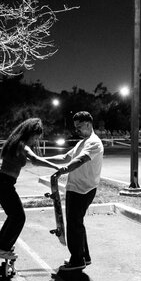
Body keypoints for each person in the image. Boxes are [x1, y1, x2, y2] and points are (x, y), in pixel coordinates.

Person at [0, 118, 59, 259]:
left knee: (13, 215)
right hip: (4, 184)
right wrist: (56, 167)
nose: (35, 141)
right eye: (35, 137)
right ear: (30, 133)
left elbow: (32, 160)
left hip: (1, 182)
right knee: (19, 217)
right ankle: (2, 248)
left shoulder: (15, 143)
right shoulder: (22, 145)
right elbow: (35, 160)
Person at [44, 111, 104, 271]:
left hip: (82, 189)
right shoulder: (82, 142)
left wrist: (63, 170)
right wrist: (42, 160)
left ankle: (77, 260)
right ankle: (84, 256)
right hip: (77, 188)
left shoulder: (94, 143)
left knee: (73, 224)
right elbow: (66, 157)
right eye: (75, 127)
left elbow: (79, 160)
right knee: (78, 223)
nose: (76, 129)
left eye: (79, 126)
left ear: (88, 124)